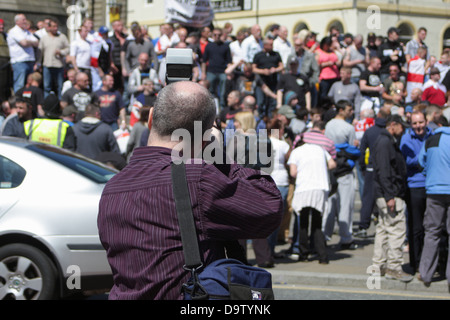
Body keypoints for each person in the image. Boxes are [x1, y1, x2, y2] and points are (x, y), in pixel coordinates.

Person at [97, 81, 282, 300]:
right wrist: (220, 156)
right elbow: (270, 207)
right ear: (205, 137)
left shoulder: (113, 186)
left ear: (150, 118)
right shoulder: (198, 178)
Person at [372, 114, 413, 282]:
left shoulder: (384, 141)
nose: (402, 130)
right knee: (396, 229)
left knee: (383, 229)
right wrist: (390, 196)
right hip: (390, 194)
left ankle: (379, 266)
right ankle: (394, 267)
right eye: (401, 126)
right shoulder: (385, 142)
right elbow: (384, 171)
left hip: (384, 193)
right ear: (393, 125)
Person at [288, 132, 336, 264]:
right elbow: (332, 164)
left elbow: (293, 172)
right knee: (317, 223)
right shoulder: (320, 149)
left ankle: (304, 254)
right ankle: (322, 256)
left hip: (304, 188)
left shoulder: (296, 152)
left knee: (303, 222)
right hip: (320, 187)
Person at [399, 110, 433, 274]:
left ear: (426, 122)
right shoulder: (406, 138)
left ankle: (432, 262)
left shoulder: (433, 135)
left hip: (432, 186)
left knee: (432, 227)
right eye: (415, 123)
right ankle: (416, 262)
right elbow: (408, 160)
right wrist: (427, 157)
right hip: (415, 186)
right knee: (416, 227)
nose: (418, 126)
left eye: (420, 122)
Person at [417, 124, 450, 288]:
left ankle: (426, 273)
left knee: (432, 232)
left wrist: (429, 173)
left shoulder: (431, 140)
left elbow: (420, 161)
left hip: (434, 189)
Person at [323, 100, 358, 249]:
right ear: (342, 110)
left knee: (330, 205)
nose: (351, 112)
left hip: (331, 168)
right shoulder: (349, 128)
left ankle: (325, 235)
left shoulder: (328, 125)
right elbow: (351, 150)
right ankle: (346, 237)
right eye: (349, 109)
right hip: (344, 170)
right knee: (345, 205)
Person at [356, 107, 390, 237]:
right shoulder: (387, 132)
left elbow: (362, 150)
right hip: (385, 169)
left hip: (371, 168)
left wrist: (363, 167)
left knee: (368, 197)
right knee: (386, 196)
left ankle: (363, 226)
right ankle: (384, 222)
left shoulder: (370, 132)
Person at [37, 19, 69, 99]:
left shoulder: (62, 37)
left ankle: (60, 103)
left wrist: (61, 52)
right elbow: (40, 52)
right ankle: (47, 104)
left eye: (57, 26)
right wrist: (38, 63)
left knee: (60, 86)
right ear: (49, 27)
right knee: (47, 86)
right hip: (47, 65)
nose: (55, 28)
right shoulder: (44, 38)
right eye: (54, 26)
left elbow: (68, 48)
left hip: (59, 65)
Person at [7, 14, 39, 93]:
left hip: (30, 60)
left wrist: (28, 42)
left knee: (30, 83)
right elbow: (24, 43)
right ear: (17, 21)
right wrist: (30, 42)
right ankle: (18, 101)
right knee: (20, 84)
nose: (25, 21)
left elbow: (37, 42)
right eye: (23, 20)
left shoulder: (26, 32)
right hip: (19, 61)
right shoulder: (14, 31)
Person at [201, 28, 232, 109]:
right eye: (215, 35)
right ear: (212, 35)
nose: (217, 36)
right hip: (211, 71)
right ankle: (210, 108)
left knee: (223, 93)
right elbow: (204, 61)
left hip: (222, 71)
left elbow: (229, 61)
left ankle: (222, 109)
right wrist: (203, 73)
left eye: (219, 35)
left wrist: (229, 73)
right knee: (210, 91)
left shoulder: (225, 46)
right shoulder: (209, 46)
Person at [252, 37, 284, 118]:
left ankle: (271, 120)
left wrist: (275, 70)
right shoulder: (258, 55)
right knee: (261, 102)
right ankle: (261, 120)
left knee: (272, 102)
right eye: (270, 45)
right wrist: (263, 71)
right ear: (265, 45)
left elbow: (281, 67)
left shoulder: (276, 54)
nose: (272, 46)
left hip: (273, 83)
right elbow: (253, 68)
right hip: (261, 83)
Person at [315, 36, 340, 102]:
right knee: (324, 95)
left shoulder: (332, 51)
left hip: (335, 76)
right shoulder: (318, 52)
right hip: (324, 78)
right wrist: (327, 64)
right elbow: (316, 65)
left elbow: (338, 61)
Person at [68, 26, 92, 90]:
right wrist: (76, 69)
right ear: (80, 32)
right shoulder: (75, 43)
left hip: (87, 67)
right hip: (79, 67)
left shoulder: (89, 43)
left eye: (87, 31)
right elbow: (72, 56)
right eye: (85, 31)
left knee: (87, 85)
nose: (87, 33)